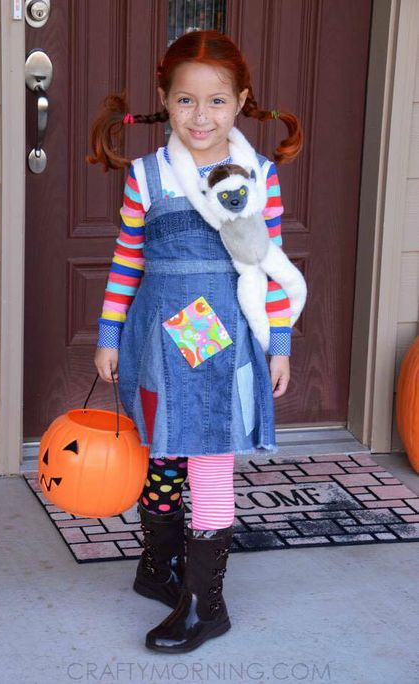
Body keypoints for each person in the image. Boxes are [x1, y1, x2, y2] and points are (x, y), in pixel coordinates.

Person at [87, 29, 303, 654]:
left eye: (215, 102)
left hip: (218, 341)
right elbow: (128, 258)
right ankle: (157, 568)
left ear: (240, 103)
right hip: (156, 337)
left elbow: (267, 264)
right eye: (186, 101)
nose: (200, 116)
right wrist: (108, 332)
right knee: (161, 446)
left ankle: (206, 605)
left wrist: (280, 340)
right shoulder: (148, 176)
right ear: (165, 100)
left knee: (206, 457)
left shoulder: (257, 176)